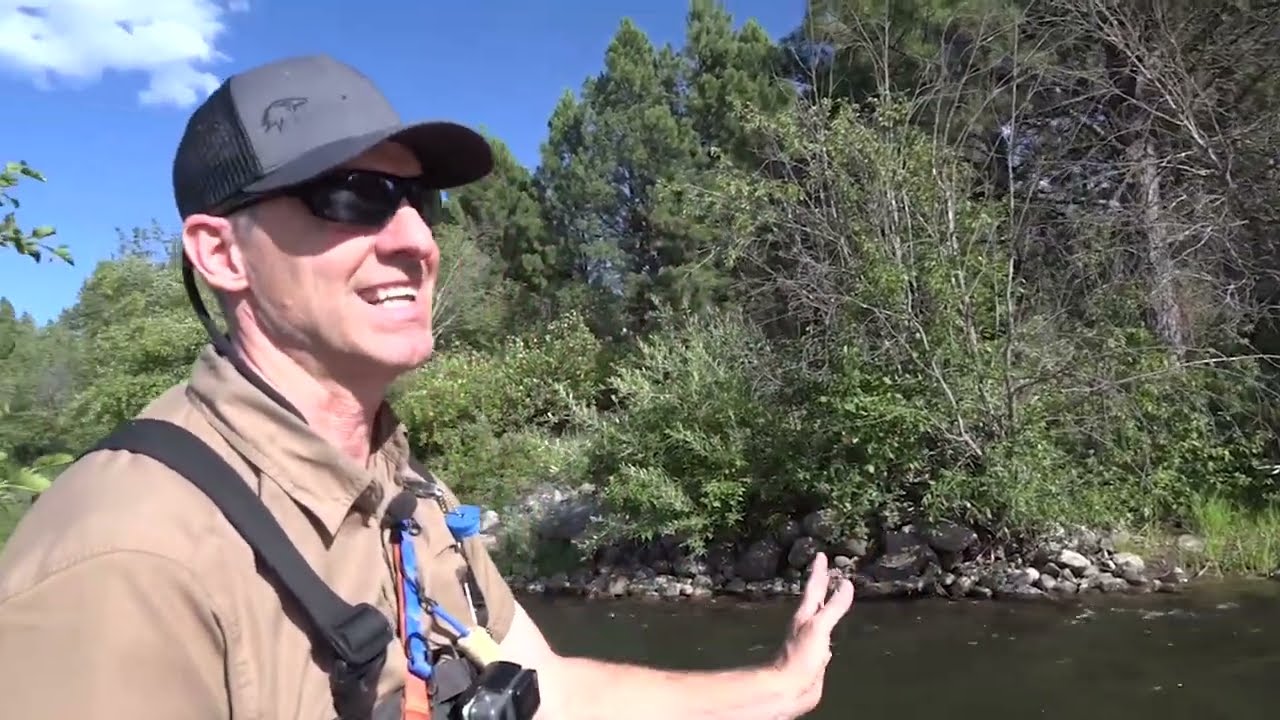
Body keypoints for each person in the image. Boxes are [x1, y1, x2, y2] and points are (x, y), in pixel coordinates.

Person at [0, 54, 854, 719]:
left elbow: (551, 689)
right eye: (351, 196)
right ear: (222, 253)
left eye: (419, 201)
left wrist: (786, 685)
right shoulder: (124, 557)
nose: (415, 238)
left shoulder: (415, 498)